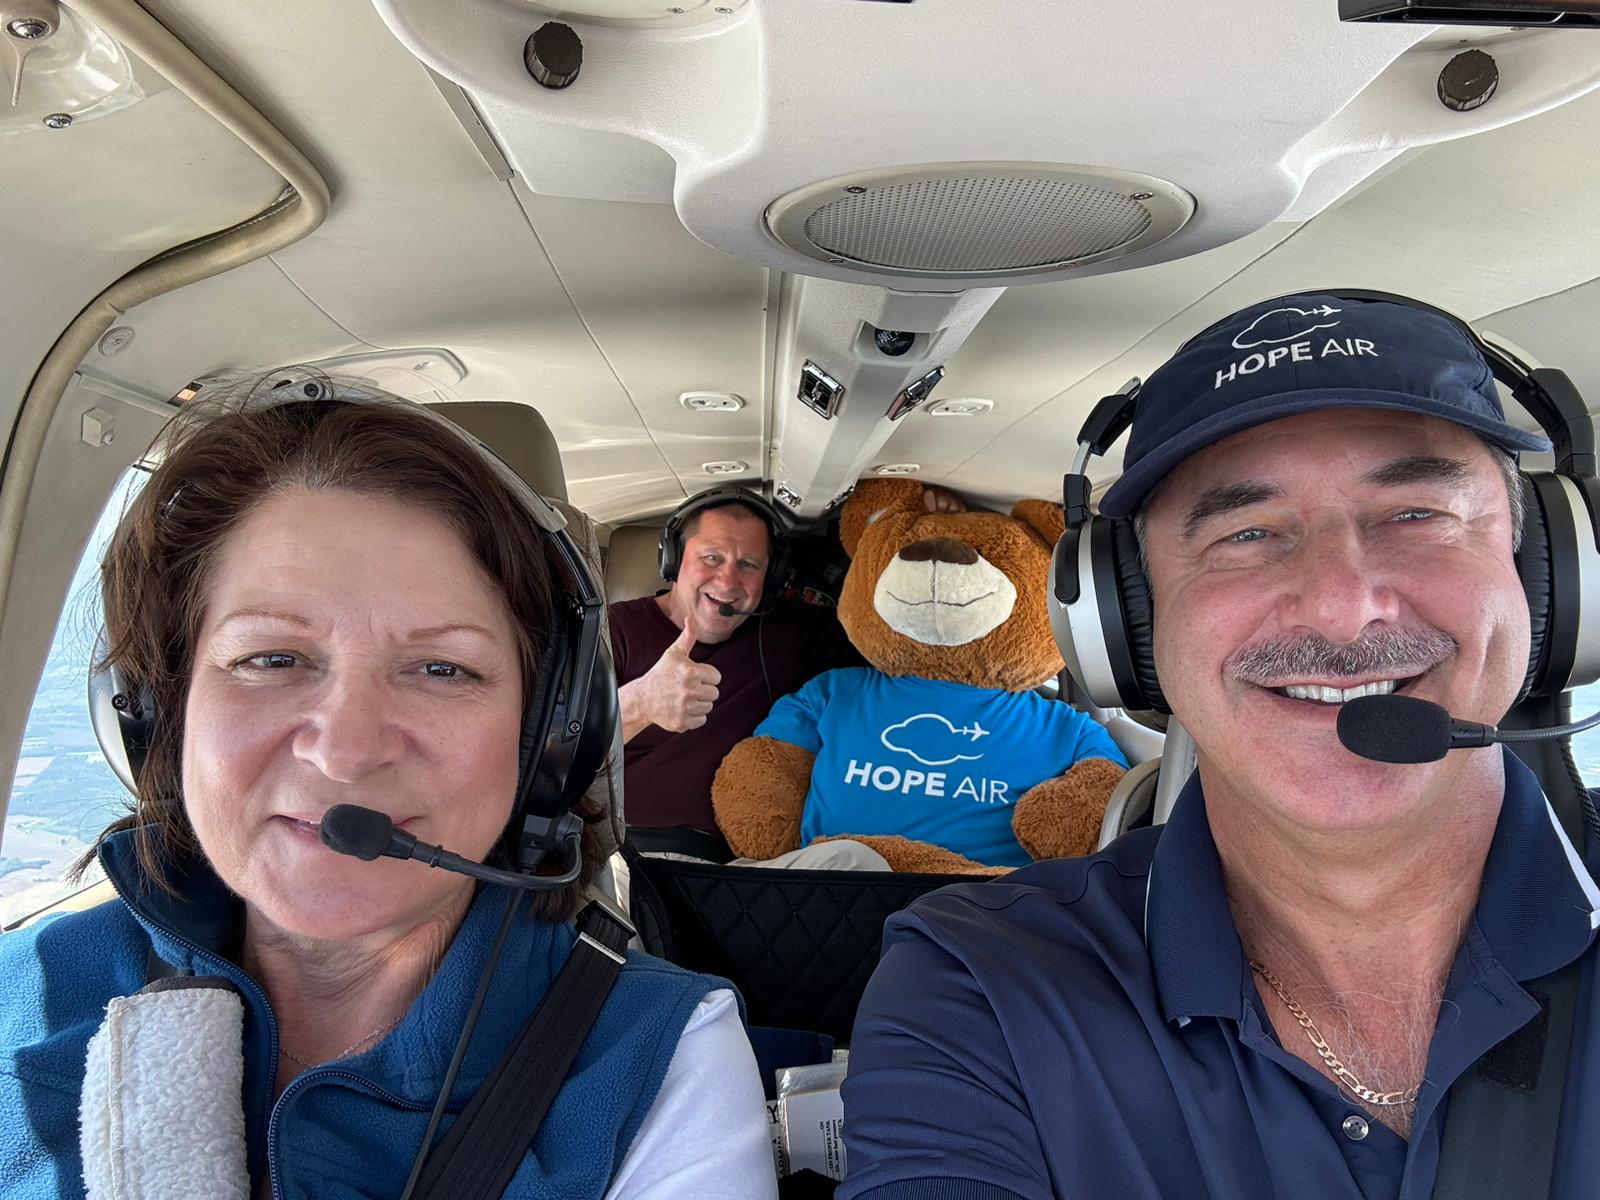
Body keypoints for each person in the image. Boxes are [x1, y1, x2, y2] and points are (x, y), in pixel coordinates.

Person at [839, 293, 1600, 1199]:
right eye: (1246, 534)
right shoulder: (982, 984)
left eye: (1415, 514)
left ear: (1548, 574)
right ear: (1128, 626)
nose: (1340, 606)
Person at [0, 381, 775, 1199]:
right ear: (161, 707)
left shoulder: (660, 1061)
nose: (345, 752)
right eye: (271, 658)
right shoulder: (23, 997)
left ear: (548, 737)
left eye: (443, 669)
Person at [612, 484, 964, 842]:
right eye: (712, 557)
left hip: (747, 863)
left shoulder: (795, 632)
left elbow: (902, 642)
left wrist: (934, 534)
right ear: (672, 559)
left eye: (748, 564)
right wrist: (640, 702)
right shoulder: (610, 632)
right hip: (626, 848)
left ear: (773, 576)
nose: (727, 580)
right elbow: (556, 751)